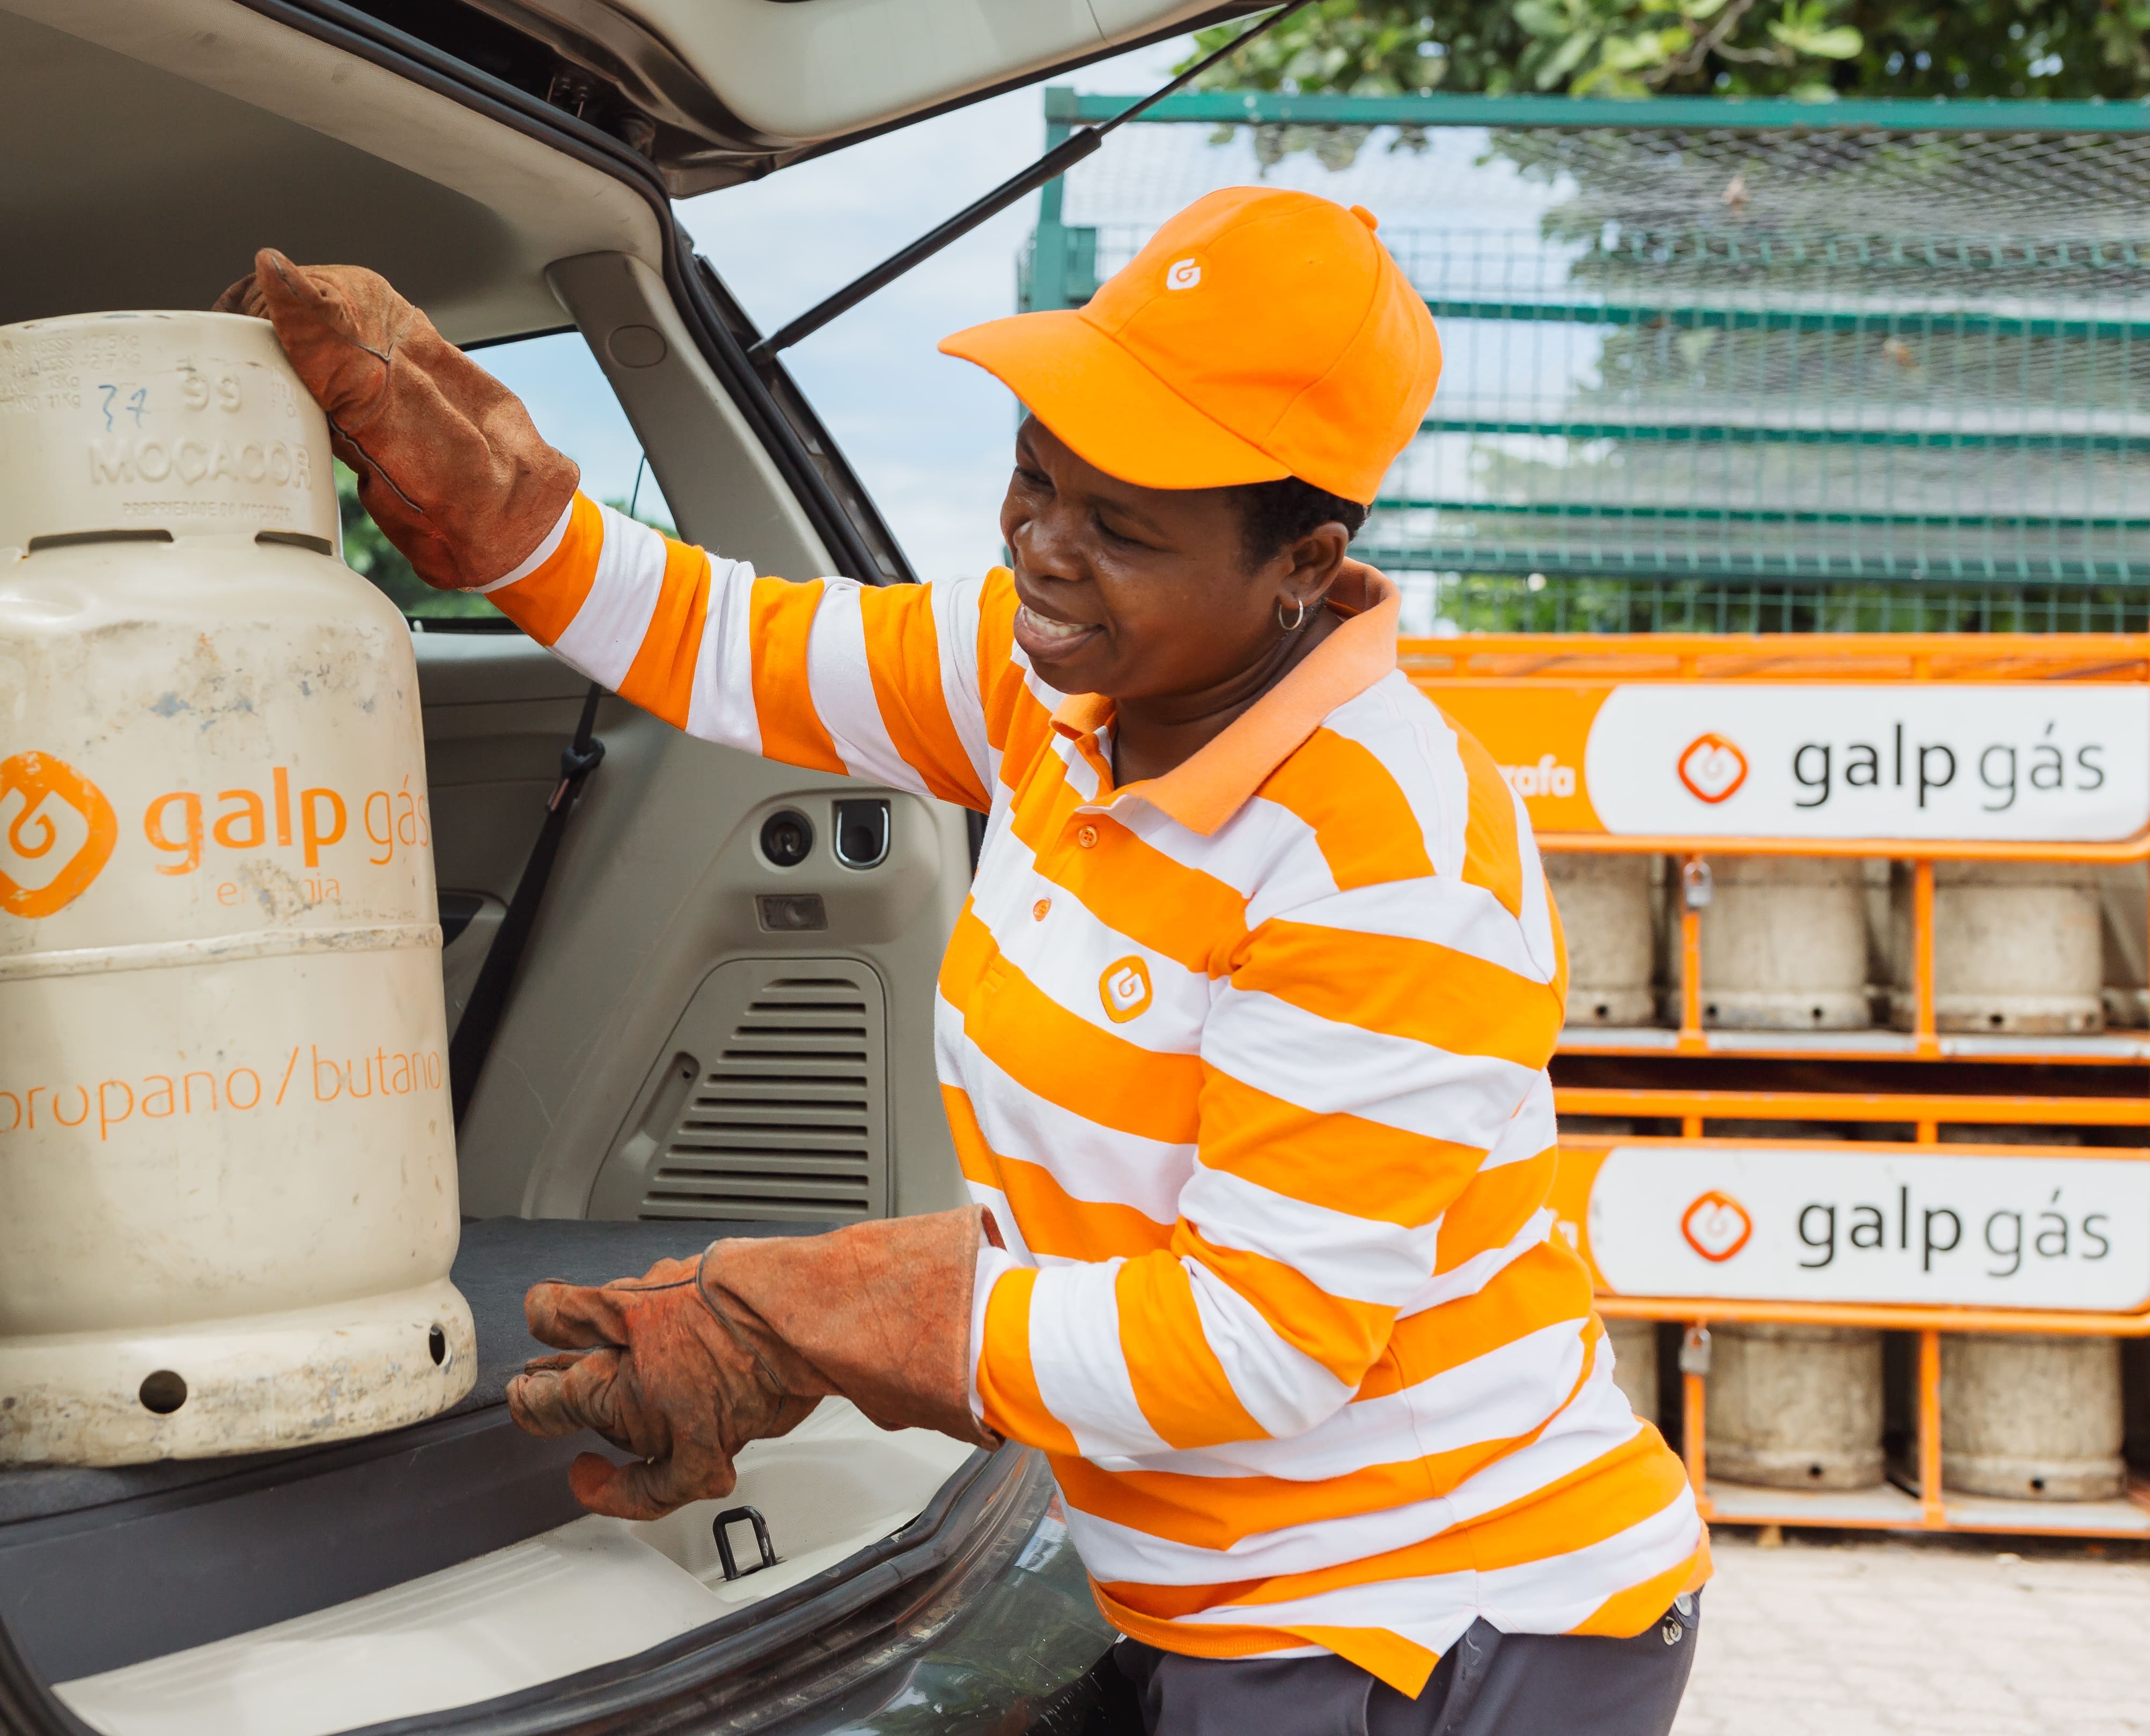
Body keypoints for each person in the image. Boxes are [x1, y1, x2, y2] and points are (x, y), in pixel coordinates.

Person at [219, 186, 1706, 1735]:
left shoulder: (1384, 856)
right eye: (1032, 478)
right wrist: (513, 513)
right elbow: (742, 646)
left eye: (1120, 527)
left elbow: (1252, 1347)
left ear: (1304, 564)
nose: (1043, 551)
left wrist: (818, 1313)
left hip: (1431, 1623)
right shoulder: (1050, 688)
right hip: (1219, 1596)